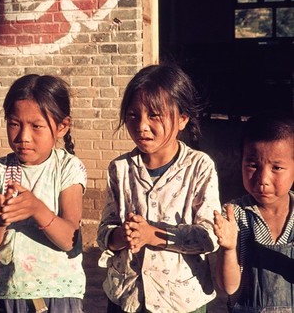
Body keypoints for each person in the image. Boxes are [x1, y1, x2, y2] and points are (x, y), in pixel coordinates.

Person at [97, 64, 221, 312]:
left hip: (181, 301)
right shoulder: (119, 169)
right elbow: (104, 231)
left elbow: (210, 237)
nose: (142, 125)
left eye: (154, 115)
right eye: (133, 115)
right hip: (127, 297)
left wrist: (153, 235)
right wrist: (120, 236)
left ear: (183, 119)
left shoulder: (199, 167)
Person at [0, 74, 87, 313]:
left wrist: (37, 210)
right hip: (7, 293)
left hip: (58, 293)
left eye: (36, 126)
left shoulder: (68, 168)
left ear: (62, 126)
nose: (23, 137)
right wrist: (0, 221)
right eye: (14, 124)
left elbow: (70, 239)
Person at [213, 113, 294, 312]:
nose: (262, 179)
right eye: (252, 165)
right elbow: (229, 287)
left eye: (277, 167)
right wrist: (229, 249)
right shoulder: (235, 215)